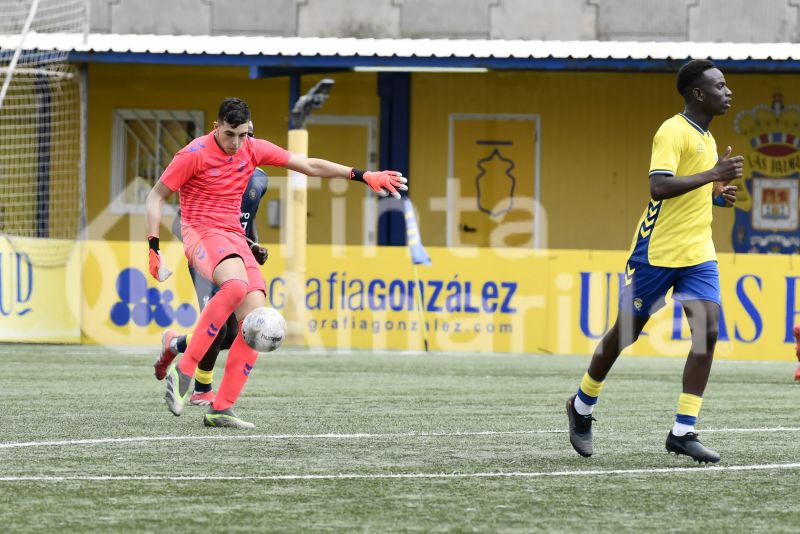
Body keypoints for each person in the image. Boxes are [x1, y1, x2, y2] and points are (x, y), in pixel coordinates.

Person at [146, 97, 407, 429]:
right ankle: (185, 372)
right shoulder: (193, 155)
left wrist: (362, 174)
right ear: (216, 128)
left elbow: (309, 165)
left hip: (234, 237)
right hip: (200, 231)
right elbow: (155, 195)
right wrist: (153, 248)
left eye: (244, 134)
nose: (237, 143)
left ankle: (221, 408)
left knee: (257, 322)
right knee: (236, 287)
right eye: (230, 134)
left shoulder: (252, 149)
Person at [565, 59, 743, 463]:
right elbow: (659, 187)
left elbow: (692, 192)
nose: (728, 91)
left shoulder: (708, 138)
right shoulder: (672, 131)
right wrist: (713, 174)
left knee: (708, 330)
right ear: (699, 94)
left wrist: (716, 195)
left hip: (697, 253)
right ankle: (581, 406)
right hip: (656, 253)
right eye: (720, 85)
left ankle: (683, 430)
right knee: (625, 332)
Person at [153, 122, 269, 407]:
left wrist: (253, 245)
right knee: (218, 328)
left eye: (246, 142)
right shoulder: (210, 169)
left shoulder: (259, 180)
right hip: (208, 253)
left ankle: (176, 343)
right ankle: (202, 389)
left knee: (236, 331)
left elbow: (246, 219)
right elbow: (179, 220)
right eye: (234, 140)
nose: (239, 149)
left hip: (236, 252)